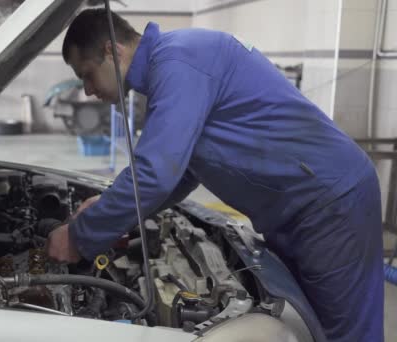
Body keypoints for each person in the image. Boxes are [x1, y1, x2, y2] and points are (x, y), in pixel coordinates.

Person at [46, 9, 384, 341]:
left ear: (111, 50)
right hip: (296, 210)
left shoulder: (179, 61)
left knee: (347, 334)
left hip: (329, 203)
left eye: (87, 74)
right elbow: (179, 175)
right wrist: (108, 207)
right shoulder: (170, 69)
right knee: (312, 328)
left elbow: (155, 174)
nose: (88, 90)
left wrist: (80, 235)